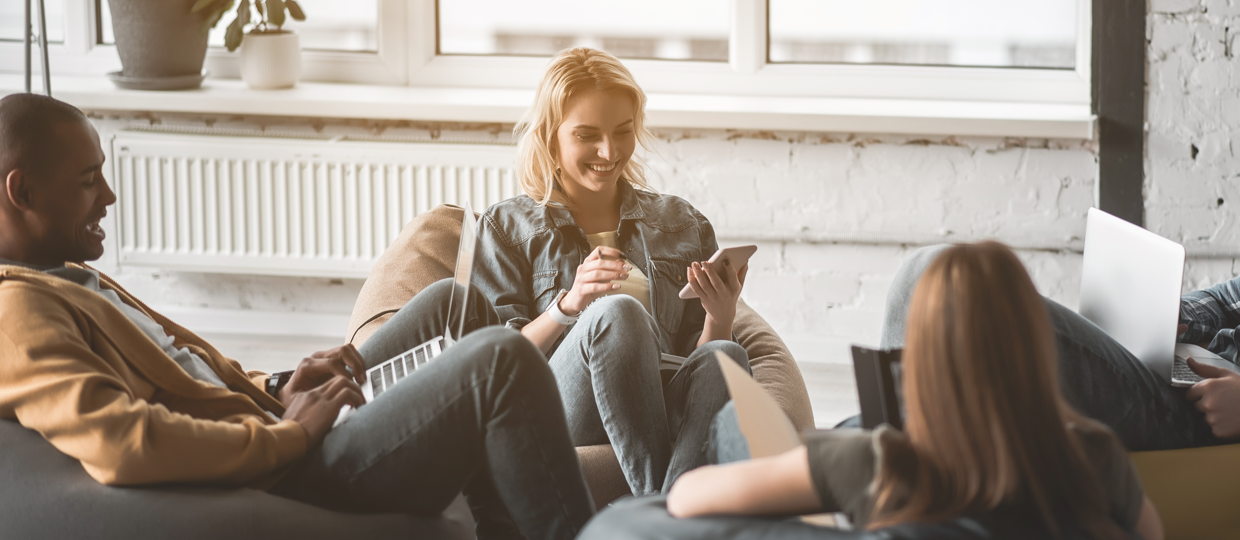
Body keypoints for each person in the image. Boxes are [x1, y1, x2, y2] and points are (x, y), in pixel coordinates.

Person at [0, 93, 594, 540]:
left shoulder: (61, 273)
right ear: (21, 192)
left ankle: (500, 526)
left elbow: (186, 377)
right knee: (500, 360)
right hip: (286, 469)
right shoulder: (15, 311)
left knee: (454, 305)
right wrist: (287, 435)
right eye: (87, 181)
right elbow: (122, 442)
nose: (107, 195)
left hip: (272, 421)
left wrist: (282, 385)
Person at [883, 71, 1240, 456]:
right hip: (1178, 373)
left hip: (1202, 416)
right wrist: (1172, 319)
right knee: (923, 276)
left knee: (952, 286)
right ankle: (891, 449)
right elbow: (1221, 301)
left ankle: (886, 457)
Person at [589, 243, 1162, 539]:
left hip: (836, 468)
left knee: (729, 433)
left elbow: (688, 499)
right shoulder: (1091, 455)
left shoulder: (883, 462)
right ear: (1038, 351)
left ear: (920, 365)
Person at [474, 47, 750, 496]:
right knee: (616, 314)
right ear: (551, 137)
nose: (608, 151)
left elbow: (695, 366)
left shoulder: (681, 224)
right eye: (587, 135)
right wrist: (569, 305)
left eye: (622, 132)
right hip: (559, 407)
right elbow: (491, 366)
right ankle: (659, 506)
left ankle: (664, 518)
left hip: (658, 403)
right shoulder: (507, 230)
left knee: (729, 358)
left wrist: (720, 317)